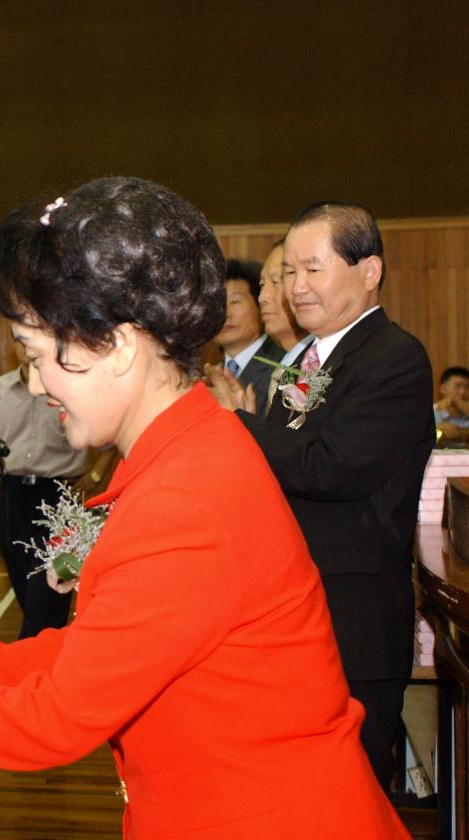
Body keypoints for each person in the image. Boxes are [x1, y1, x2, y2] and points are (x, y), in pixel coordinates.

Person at [0, 178, 408, 838]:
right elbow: (105, 653)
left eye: (35, 353)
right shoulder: (193, 450)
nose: (32, 382)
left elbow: (58, 718)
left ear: (119, 346)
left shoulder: (186, 498)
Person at [209, 201, 435, 792]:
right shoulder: (306, 360)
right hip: (290, 611)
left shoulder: (394, 358)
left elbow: (331, 468)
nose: (295, 288)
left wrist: (239, 422)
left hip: (351, 619)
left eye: (313, 270)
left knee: (351, 790)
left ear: (369, 271)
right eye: (289, 274)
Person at [0, 342, 86, 637]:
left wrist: (96, 475)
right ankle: (46, 647)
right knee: (23, 583)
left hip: (61, 495)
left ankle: (34, 653)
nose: (25, 346)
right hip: (13, 494)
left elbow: (110, 441)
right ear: (13, 345)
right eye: (19, 340)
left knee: (49, 592)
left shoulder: (71, 388)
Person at [254, 239, 312, 415]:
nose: (263, 297)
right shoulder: (278, 367)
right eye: (262, 285)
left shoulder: (320, 366)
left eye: (275, 282)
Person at [217, 257, 281, 400]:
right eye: (217, 304)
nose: (225, 314)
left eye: (235, 302)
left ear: (260, 305)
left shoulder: (282, 365)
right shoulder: (209, 376)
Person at [433, 365, 469, 444]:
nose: (462, 392)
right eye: (457, 386)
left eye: (467, 387)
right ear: (443, 389)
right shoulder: (430, 413)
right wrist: (438, 431)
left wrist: (460, 433)